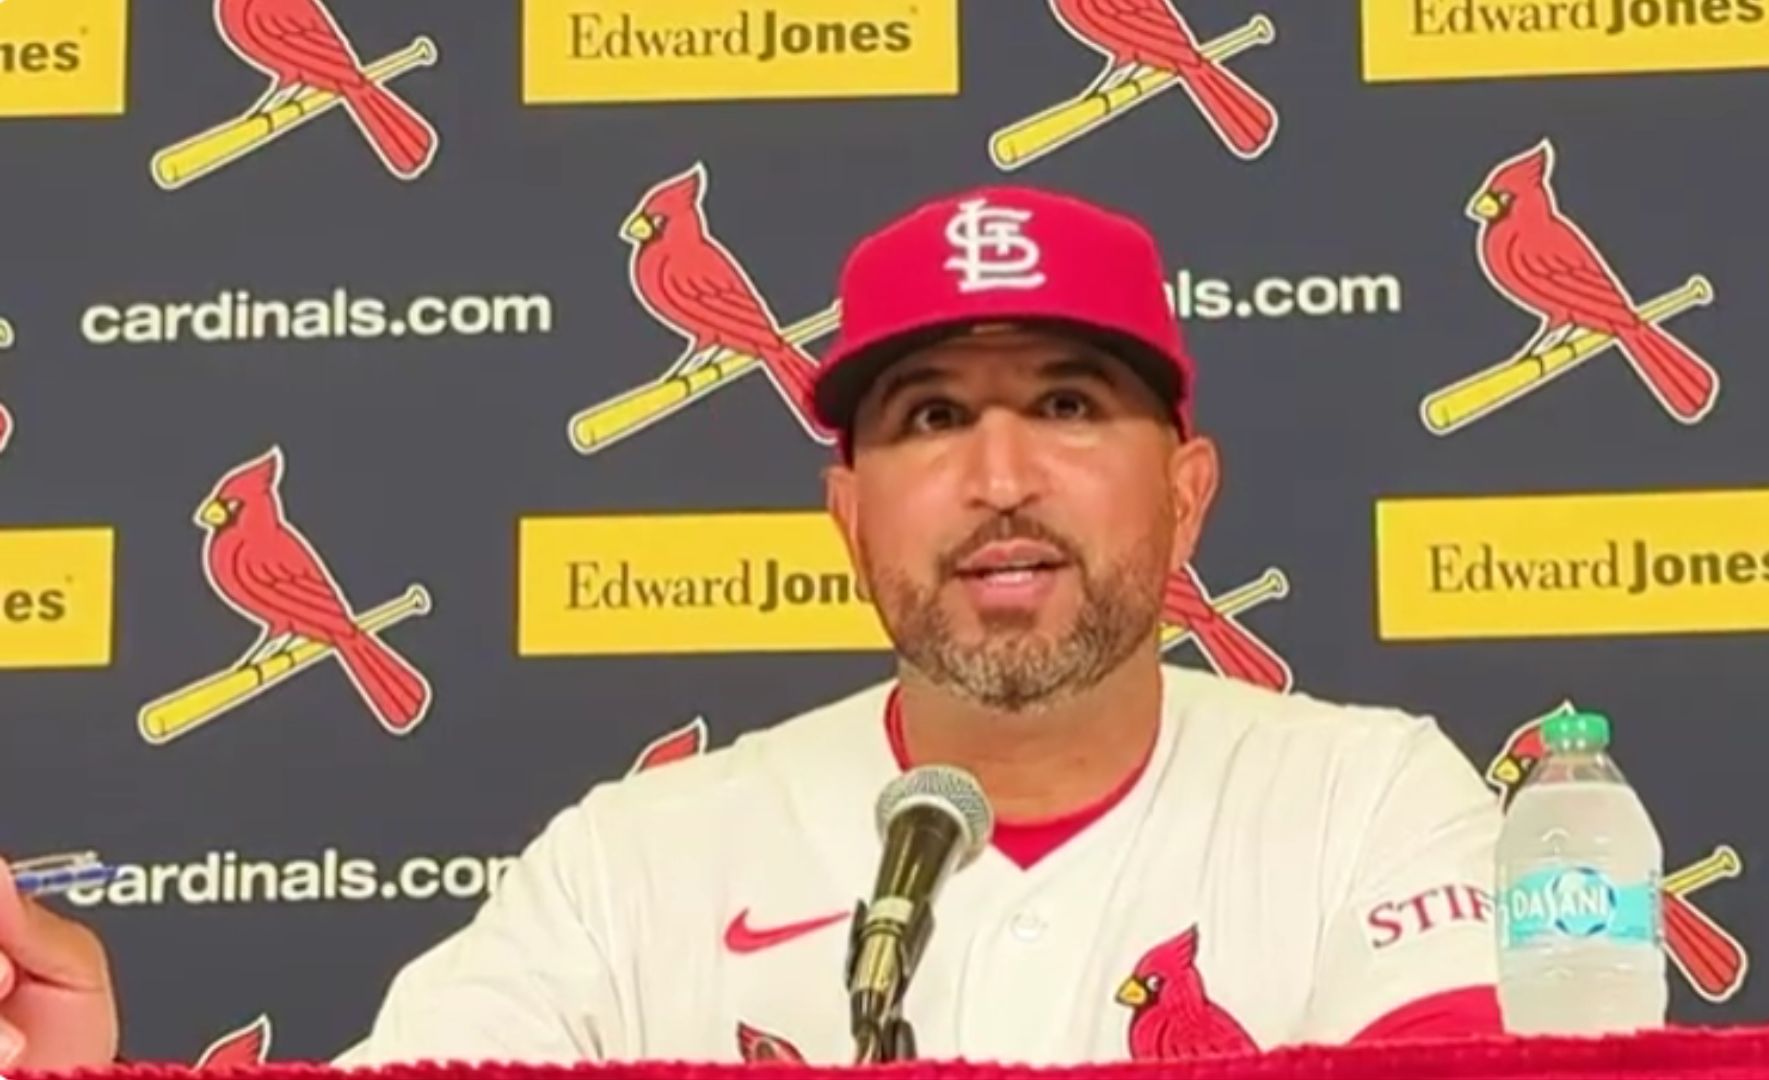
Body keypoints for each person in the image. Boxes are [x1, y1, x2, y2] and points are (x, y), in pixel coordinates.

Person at [0, 183, 1504, 1070]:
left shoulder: (1371, 800)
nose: (1000, 478)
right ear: (849, 512)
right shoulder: (636, 860)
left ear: (1187, 491)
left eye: (1066, 404)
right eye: (930, 418)